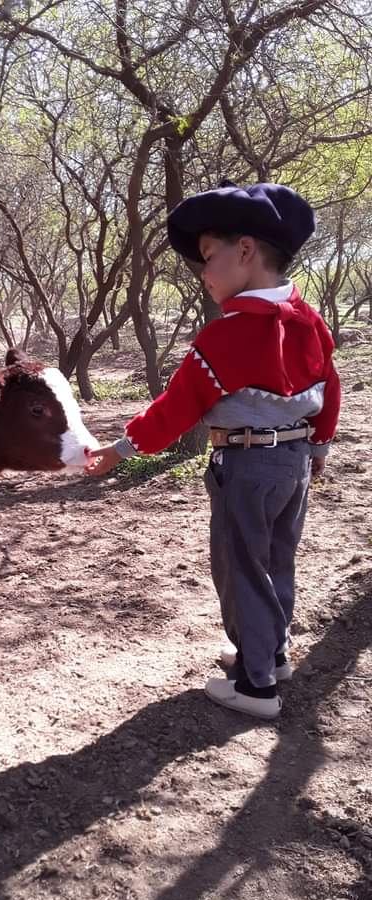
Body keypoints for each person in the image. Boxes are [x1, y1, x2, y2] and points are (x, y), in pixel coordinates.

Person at [85, 182, 341, 720]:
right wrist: (318, 447)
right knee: (277, 561)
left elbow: (176, 409)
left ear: (244, 251)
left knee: (240, 567)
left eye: (207, 257)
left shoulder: (223, 338)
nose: (203, 272)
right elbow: (330, 389)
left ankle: (255, 687)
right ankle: (269, 653)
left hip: (245, 466)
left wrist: (119, 449)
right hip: (294, 464)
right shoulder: (310, 321)